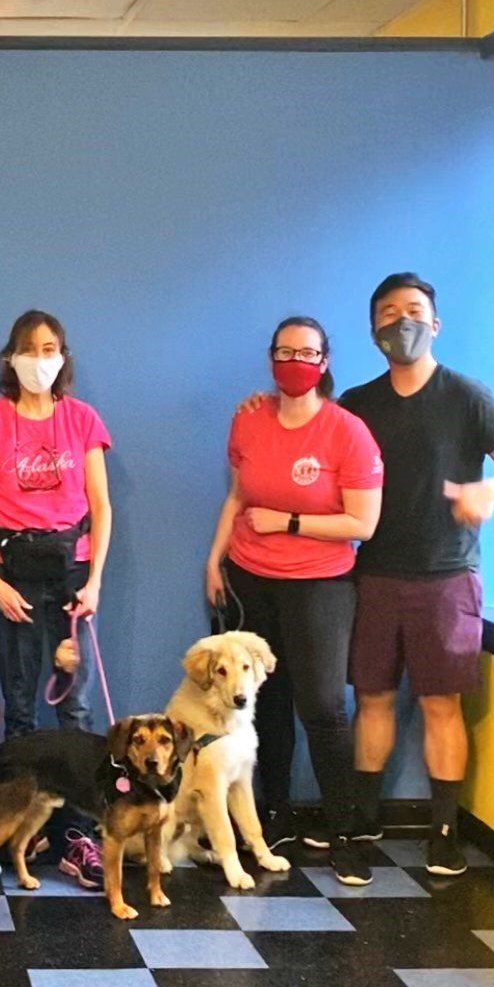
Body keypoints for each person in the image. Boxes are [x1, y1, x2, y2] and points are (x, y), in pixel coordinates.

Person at [206, 316, 384, 886]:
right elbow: (237, 495)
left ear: (325, 361)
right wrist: (214, 560)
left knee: (323, 707)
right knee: (268, 704)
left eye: (307, 353)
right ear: (270, 359)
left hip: (320, 584)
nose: (295, 361)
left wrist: (289, 520)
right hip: (249, 577)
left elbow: (365, 522)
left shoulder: (347, 431)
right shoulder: (248, 419)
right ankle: (275, 816)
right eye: (285, 351)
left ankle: (347, 832)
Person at [339, 273, 494, 877]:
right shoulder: (356, 404)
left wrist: (488, 489)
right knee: (372, 700)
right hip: (373, 574)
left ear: (435, 323)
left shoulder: (468, 396)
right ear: (374, 327)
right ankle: (361, 823)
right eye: (388, 312)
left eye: (413, 311)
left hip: (447, 577)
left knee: (440, 704)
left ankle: (445, 832)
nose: (401, 322)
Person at [0, 310, 113, 890]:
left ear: (63, 356)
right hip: (12, 572)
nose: (39, 359)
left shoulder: (82, 420)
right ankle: (19, 829)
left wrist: (93, 582)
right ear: (10, 357)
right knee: (19, 706)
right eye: (29, 348)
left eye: (50, 348)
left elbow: (102, 506)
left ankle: (78, 835)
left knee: (76, 709)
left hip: (70, 570)